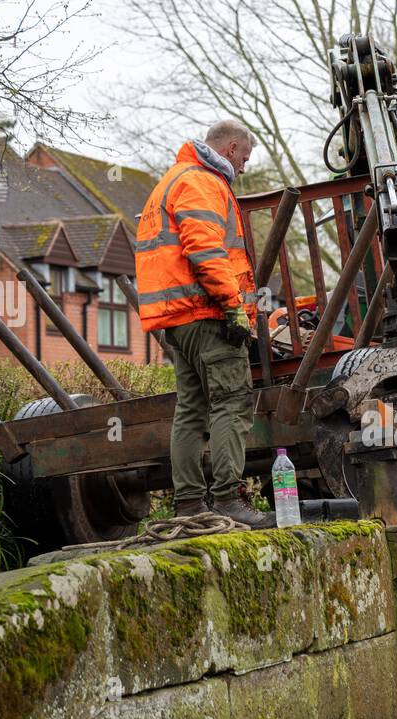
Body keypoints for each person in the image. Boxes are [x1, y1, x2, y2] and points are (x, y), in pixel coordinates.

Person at [135, 119, 274, 528]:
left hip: (177, 321)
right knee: (232, 403)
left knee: (191, 410)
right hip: (207, 314)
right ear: (230, 148)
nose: (244, 168)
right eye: (244, 158)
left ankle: (190, 506)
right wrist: (234, 306)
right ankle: (228, 499)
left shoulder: (170, 181)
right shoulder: (201, 182)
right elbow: (205, 249)